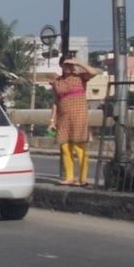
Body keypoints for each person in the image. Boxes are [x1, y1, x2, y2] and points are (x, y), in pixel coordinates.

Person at [50, 57, 98, 186]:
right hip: (63, 117)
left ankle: (82, 179)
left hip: (78, 115)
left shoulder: (81, 77)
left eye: (71, 65)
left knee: (79, 148)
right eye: (66, 64)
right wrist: (52, 120)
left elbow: (93, 72)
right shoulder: (57, 82)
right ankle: (69, 177)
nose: (69, 67)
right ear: (61, 65)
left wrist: (79, 63)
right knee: (65, 148)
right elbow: (55, 102)